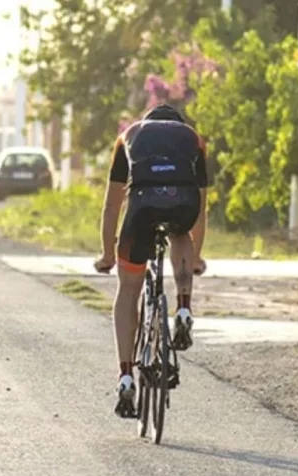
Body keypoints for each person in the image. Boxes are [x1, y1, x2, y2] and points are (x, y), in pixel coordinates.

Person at [93, 104, 209, 419]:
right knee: (181, 233)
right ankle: (183, 306)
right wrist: (196, 257)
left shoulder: (128, 136)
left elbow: (111, 206)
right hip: (183, 202)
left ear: (149, 122)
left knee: (128, 289)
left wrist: (107, 254)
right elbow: (201, 208)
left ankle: (126, 374)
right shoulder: (193, 138)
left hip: (141, 207)